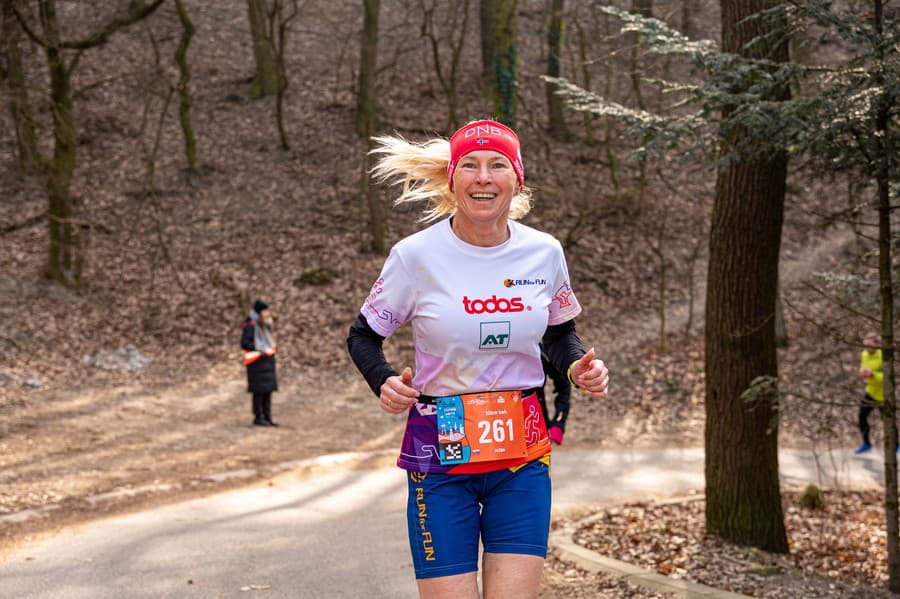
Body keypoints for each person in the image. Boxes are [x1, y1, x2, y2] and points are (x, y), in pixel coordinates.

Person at [346, 119, 609, 599]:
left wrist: (578, 367)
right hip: (439, 457)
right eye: (469, 165)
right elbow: (363, 335)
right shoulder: (414, 256)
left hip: (522, 458)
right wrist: (383, 379)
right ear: (452, 180)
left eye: (497, 165)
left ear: (517, 179)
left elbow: (559, 335)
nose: (483, 177)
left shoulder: (544, 253)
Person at [241, 300, 278, 427]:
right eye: (265, 311)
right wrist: (258, 349)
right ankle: (258, 417)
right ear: (259, 312)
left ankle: (268, 417)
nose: (268, 313)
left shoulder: (266, 324)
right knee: (259, 392)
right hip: (256, 362)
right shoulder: (250, 324)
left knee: (268, 391)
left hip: (267, 362)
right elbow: (244, 342)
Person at [855, 331, 886, 454]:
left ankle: (896, 446)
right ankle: (866, 444)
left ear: (876, 345)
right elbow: (863, 368)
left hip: (884, 394)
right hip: (871, 392)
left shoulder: (883, 355)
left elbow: (887, 376)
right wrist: (863, 373)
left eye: (869, 345)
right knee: (862, 416)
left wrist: (872, 374)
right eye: (865, 345)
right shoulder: (864, 355)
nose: (867, 348)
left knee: (887, 420)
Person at [538, 350, 571, 445]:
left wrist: (558, 422)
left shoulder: (539, 349)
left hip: (538, 430)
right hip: (497, 427)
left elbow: (564, 384)